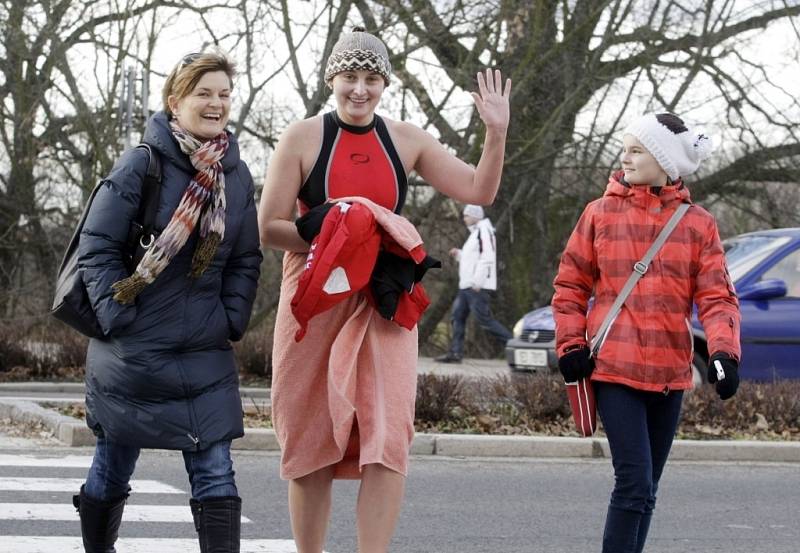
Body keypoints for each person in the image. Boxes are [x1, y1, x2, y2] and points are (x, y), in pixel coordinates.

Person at [258, 26, 510, 553]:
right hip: (315, 294)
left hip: (384, 296)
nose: (360, 89)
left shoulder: (406, 139)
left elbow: (478, 189)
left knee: (387, 434)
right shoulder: (303, 137)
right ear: (333, 78)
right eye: (350, 76)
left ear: (384, 83)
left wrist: (496, 132)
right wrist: (330, 225)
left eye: (371, 78)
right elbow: (268, 227)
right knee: (311, 433)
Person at [74, 51, 262, 553]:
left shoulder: (236, 176)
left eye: (224, 93)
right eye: (204, 93)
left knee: (216, 470)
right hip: (133, 348)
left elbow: (246, 257)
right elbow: (97, 246)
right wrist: (118, 316)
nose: (216, 103)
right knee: (112, 468)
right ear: (175, 101)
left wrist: (231, 319)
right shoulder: (143, 163)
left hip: (204, 347)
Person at [552, 112, 741, 553]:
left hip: (671, 375)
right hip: (615, 370)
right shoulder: (598, 214)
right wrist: (571, 343)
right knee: (634, 484)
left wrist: (723, 353)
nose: (626, 157)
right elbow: (570, 285)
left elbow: (717, 297)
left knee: (648, 491)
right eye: (626, 148)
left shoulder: (698, 224)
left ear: (663, 160)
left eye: (637, 150)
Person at [435, 203, 512, 363]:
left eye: (467, 215)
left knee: (485, 320)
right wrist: (459, 254)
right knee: (457, 317)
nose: (464, 218)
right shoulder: (475, 233)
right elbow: (472, 258)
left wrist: (478, 281)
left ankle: (516, 347)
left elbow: (487, 257)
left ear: (476, 215)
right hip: (466, 286)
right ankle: (455, 353)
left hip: (476, 286)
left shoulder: (484, 230)